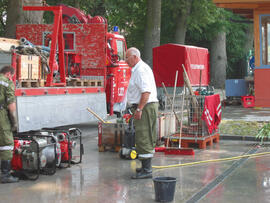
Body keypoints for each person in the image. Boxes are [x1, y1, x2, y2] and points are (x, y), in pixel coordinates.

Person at [125, 47, 158, 179]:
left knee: (144, 136)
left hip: (145, 107)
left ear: (134, 57)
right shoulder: (139, 69)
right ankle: (145, 167)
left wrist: (139, 109)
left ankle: (147, 170)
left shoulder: (140, 70)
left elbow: (146, 92)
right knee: (143, 136)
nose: (125, 60)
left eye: (127, 57)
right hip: (145, 106)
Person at [0, 65, 19, 183]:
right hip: (1, 116)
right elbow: (11, 106)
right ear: (8, 74)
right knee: (7, 144)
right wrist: (14, 123)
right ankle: (5, 175)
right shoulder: (7, 83)